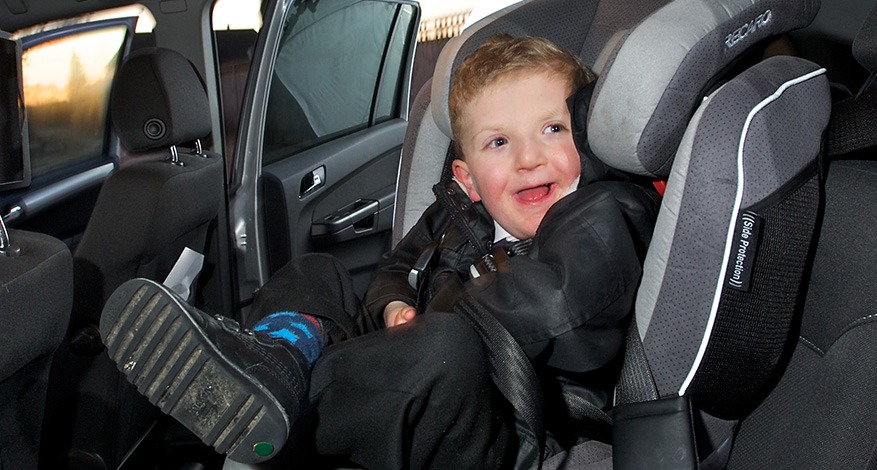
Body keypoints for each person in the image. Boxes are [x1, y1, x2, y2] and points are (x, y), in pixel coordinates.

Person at [99, 34, 659, 469]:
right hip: (418, 358)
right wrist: (394, 305)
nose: (529, 158)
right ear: (466, 177)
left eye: (553, 128)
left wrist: (425, 327)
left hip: (513, 410)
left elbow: (556, 307)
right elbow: (396, 266)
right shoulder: (458, 212)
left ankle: (281, 398)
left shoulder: (602, 214)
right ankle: (280, 356)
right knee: (317, 271)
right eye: (499, 142)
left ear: (586, 137)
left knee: (445, 347)